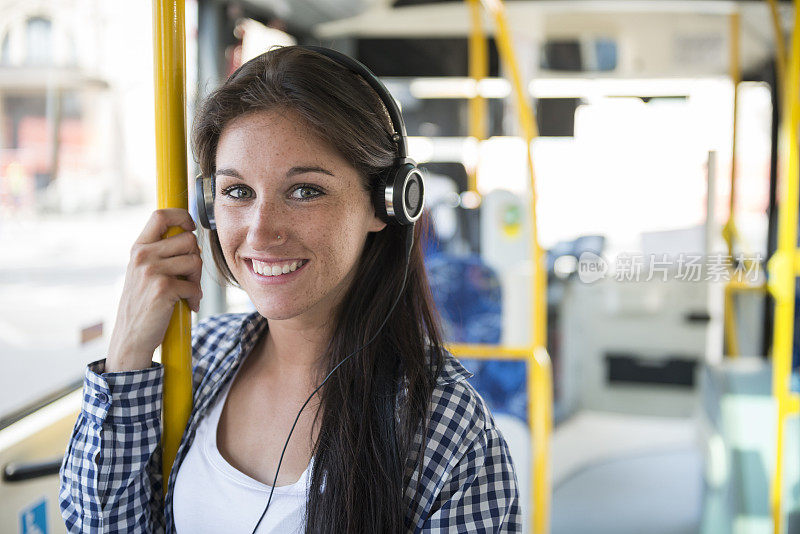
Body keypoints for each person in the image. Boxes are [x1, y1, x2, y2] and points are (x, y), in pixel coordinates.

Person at [58, 45, 521, 533]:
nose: (259, 233)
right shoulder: (196, 359)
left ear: (384, 204)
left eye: (305, 191)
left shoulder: (444, 425)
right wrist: (127, 352)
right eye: (238, 192)